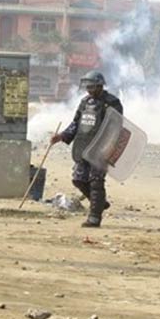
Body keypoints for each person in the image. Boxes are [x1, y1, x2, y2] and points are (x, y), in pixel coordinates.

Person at [50, 70, 122, 228]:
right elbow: (76, 124)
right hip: (83, 147)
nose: (89, 90)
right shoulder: (85, 102)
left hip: (102, 149)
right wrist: (61, 136)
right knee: (78, 180)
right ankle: (100, 203)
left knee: (96, 181)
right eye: (87, 87)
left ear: (100, 86)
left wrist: (109, 149)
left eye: (92, 87)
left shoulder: (112, 103)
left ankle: (94, 218)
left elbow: (116, 128)